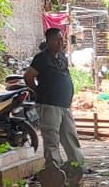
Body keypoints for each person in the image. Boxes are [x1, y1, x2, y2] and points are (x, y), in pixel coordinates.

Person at [24, 27, 86, 173]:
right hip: (49, 105)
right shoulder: (41, 58)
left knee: (70, 137)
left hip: (64, 105)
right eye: (56, 40)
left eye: (61, 40)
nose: (59, 43)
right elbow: (28, 77)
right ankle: (54, 170)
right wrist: (39, 91)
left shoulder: (62, 57)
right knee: (52, 139)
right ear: (48, 41)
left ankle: (78, 166)